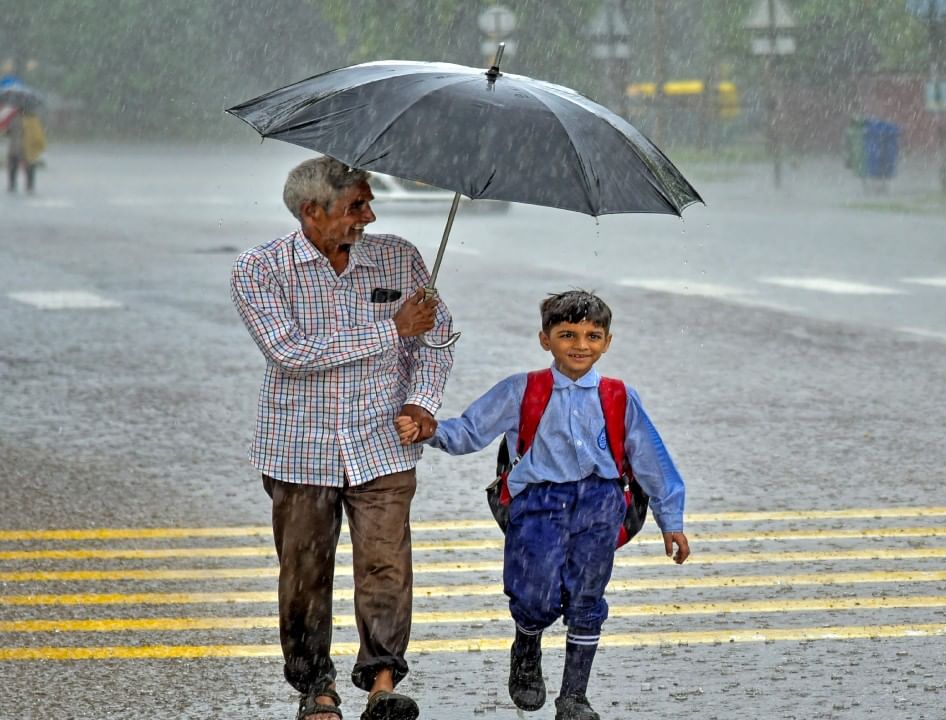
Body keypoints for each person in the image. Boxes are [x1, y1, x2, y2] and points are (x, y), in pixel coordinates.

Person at [395, 290, 691, 720]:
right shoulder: (523, 389)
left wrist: (672, 520)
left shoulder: (619, 396)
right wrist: (430, 429)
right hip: (537, 504)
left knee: (588, 598)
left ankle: (574, 697)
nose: (580, 345)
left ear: (608, 342)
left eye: (593, 335)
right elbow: (471, 431)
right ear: (544, 339)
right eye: (567, 334)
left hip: (600, 503)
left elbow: (651, 459)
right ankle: (528, 641)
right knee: (535, 595)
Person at [231, 155, 454, 720]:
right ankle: (316, 686)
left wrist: (421, 402)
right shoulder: (259, 270)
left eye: (368, 201)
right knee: (305, 572)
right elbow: (290, 352)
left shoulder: (398, 257)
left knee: (387, 565)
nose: (370, 215)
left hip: (384, 442)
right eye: (357, 205)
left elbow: (438, 339)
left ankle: (383, 683)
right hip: (298, 448)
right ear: (312, 211)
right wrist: (391, 327)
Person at [6, 106, 43, 193]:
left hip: (18, 147)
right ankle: (28, 185)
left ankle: (13, 185)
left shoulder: (14, 119)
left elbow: (7, 132)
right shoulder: (32, 120)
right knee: (27, 166)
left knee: (15, 166)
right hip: (23, 147)